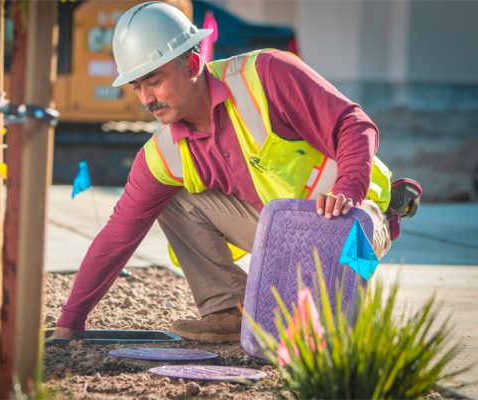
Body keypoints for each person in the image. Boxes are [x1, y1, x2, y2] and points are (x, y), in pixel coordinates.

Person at [52, 1, 418, 343]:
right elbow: (117, 237)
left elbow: (355, 125)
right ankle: (231, 309)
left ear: (193, 66)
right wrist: (70, 322)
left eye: (154, 80)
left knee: (333, 331)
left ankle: (349, 327)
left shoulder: (266, 76)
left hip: (350, 212)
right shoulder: (162, 155)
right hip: (283, 232)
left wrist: (348, 190)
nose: (147, 98)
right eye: (137, 86)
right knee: (173, 199)